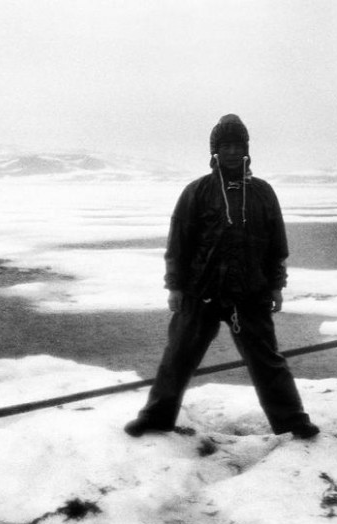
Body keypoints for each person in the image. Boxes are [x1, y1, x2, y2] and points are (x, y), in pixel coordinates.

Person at [125, 114, 320, 440]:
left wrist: (276, 286)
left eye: (237, 145)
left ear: (246, 150)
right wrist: (174, 286)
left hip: (250, 293)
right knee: (177, 358)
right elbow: (178, 245)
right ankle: (155, 418)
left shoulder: (262, 193)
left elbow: (276, 245)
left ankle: (293, 422)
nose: (231, 151)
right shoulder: (197, 191)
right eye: (225, 145)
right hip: (200, 291)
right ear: (215, 151)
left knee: (267, 362)